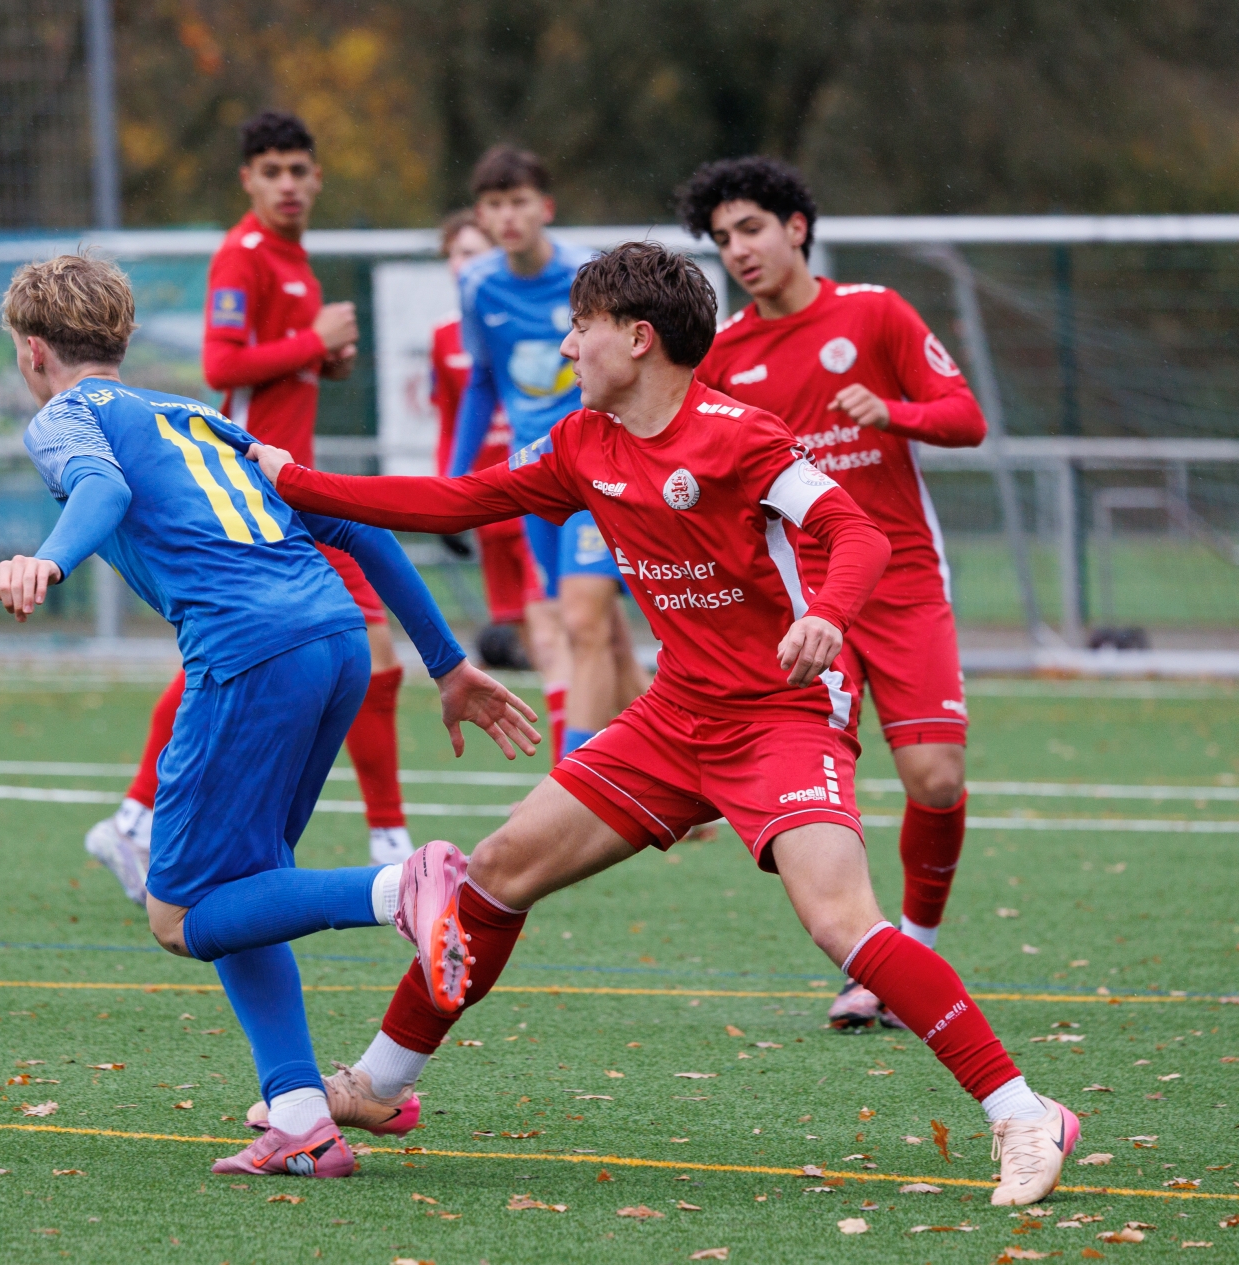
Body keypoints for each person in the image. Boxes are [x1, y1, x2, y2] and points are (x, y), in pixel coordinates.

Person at [253, 242, 1078, 1208]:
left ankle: (1025, 1111)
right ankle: (380, 1084)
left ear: (638, 338)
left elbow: (856, 532)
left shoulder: (743, 437)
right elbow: (458, 500)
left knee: (841, 923)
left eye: (581, 327)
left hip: (781, 713)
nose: (567, 345)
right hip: (675, 714)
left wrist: (827, 614)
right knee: (499, 868)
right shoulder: (581, 441)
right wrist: (296, 481)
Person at [0, 253, 538, 1178]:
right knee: (248, 884)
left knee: (180, 914)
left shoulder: (64, 415)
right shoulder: (197, 416)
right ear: (121, 336)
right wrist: (446, 662)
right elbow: (353, 525)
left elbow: (103, 490)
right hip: (336, 638)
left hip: (249, 652)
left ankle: (401, 886)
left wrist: (47, 557)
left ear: (32, 350)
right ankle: (300, 1117)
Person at [680, 156, 988, 1031]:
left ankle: (915, 947)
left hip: (903, 580)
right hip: (805, 603)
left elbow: (967, 417)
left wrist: (895, 412)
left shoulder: (876, 312)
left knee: (935, 777)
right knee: (822, 789)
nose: (738, 250)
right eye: (723, 238)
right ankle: (878, 968)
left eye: (751, 228)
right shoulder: (724, 354)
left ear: (797, 227)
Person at [83, 110, 414, 905]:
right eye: (272, 172)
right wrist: (313, 342)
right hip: (255, 487)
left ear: (317, 178)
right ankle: (389, 839)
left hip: (291, 482)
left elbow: (275, 369)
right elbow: (221, 364)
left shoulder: (295, 261)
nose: (288, 184)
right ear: (248, 180)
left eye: (299, 170)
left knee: (335, 647)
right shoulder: (244, 254)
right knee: (356, 642)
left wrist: (322, 361)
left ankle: (134, 820)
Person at [449, 145, 645, 759]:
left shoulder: (587, 276)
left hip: (601, 464)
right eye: (494, 205)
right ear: (482, 215)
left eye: (519, 202)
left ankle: (574, 783)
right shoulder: (478, 285)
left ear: (546, 207)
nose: (508, 216)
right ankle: (682, 774)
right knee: (603, 636)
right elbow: (483, 379)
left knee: (581, 624)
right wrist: (455, 476)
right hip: (539, 475)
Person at [429, 210, 544, 665]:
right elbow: (450, 422)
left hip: (534, 492)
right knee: (523, 630)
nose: (461, 264)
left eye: (472, 253)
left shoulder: (524, 319)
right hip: (486, 497)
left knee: (556, 620)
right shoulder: (443, 335)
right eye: (454, 254)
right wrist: (446, 492)